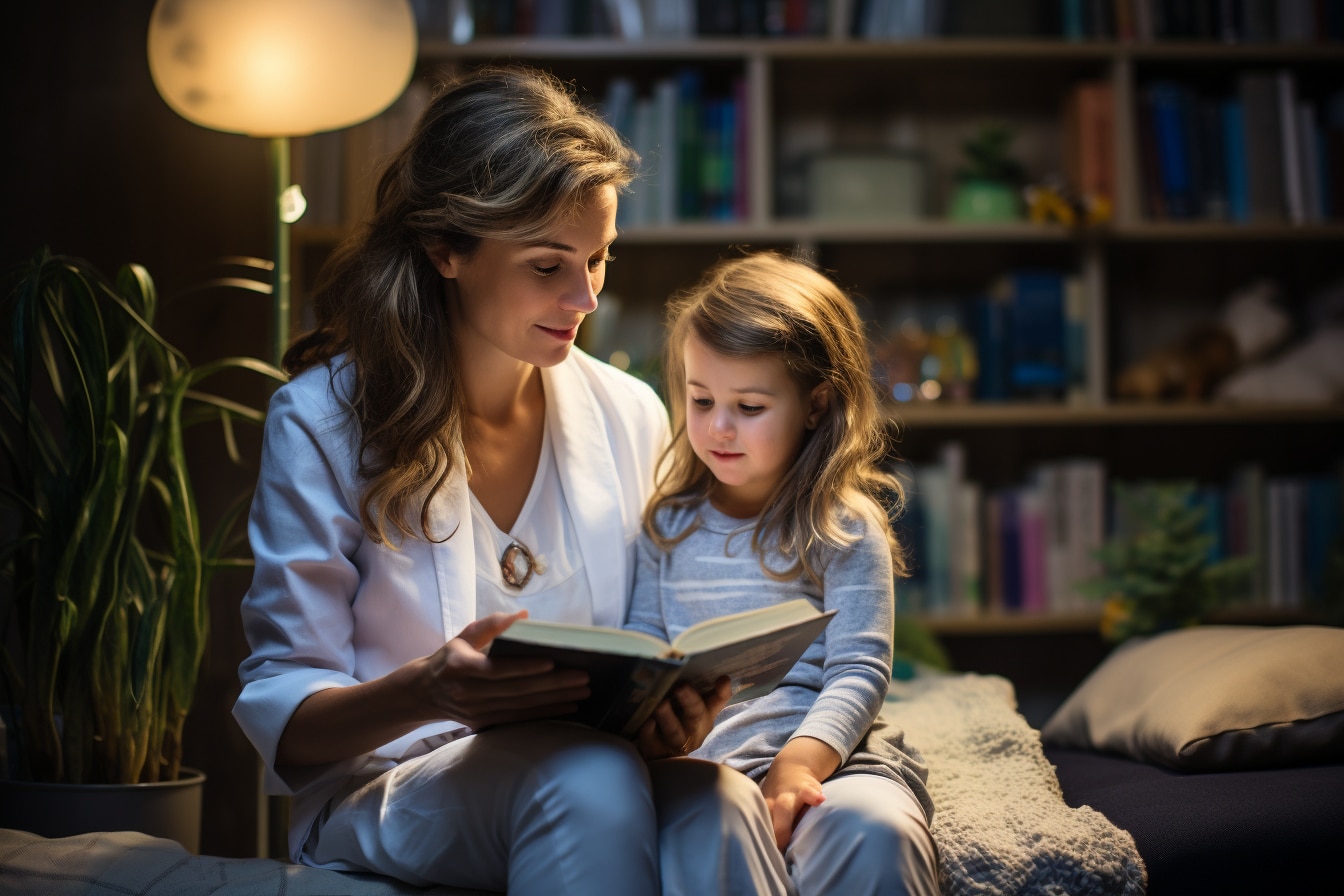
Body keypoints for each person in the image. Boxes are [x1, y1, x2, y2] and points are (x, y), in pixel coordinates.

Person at [232, 65, 792, 895]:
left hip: (591, 763)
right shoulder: (323, 422)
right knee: (586, 781)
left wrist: (671, 719)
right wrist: (432, 691)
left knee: (717, 802)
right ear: (444, 248)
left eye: (599, 260)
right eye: (547, 266)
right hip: (387, 788)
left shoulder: (629, 412)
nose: (585, 298)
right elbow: (289, 718)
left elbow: (650, 649)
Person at [625, 251, 940, 896]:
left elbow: (860, 670)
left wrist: (798, 765)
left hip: (828, 757)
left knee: (877, 832)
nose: (716, 427)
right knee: (700, 834)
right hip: (704, 769)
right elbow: (645, 653)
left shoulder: (843, 525)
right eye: (701, 398)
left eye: (749, 406)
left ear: (816, 405)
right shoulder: (666, 527)